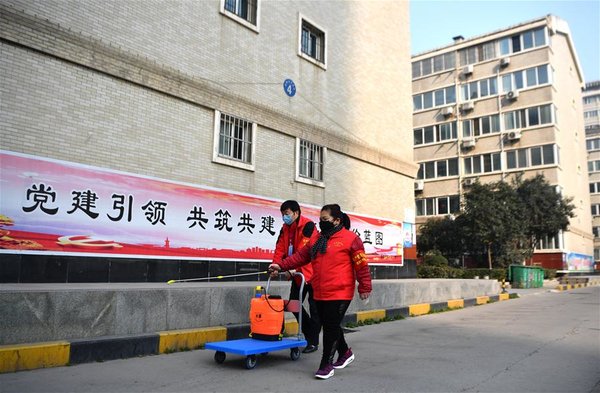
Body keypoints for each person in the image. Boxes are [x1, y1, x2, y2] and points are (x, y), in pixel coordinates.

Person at [269, 204, 372, 380]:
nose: (322, 223)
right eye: (320, 220)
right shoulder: (317, 240)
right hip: (320, 289)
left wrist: (364, 287)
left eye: (325, 220)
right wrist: (280, 265)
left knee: (331, 326)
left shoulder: (350, 239)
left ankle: (326, 364)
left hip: (341, 291)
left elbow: (361, 265)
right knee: (329, 324)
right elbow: (300, 256)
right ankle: (345, 353)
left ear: (337, 220)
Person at [272, 200, 321, 354]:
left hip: (313, 274)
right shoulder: (285, 229)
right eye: (282, 214)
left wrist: (291, 268)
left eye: (286, 214)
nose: (284, 217)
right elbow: (280, 249)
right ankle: (310, 334)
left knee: (315, 309)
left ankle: (313, 342)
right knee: (294, 305)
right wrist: (275, 266)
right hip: (298, 275)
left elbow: (304, 252)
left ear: (296, 213)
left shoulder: (308, 226)